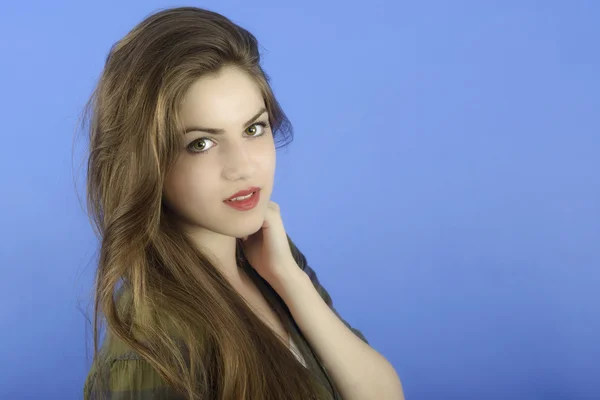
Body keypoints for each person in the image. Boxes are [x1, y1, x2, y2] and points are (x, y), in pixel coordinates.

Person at [82, 6, 404, 400]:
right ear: (145, 164)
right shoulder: (153, 345)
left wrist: (290, 280)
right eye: (201, 143)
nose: (242, 167)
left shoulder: (269, 261)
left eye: (254, 128)